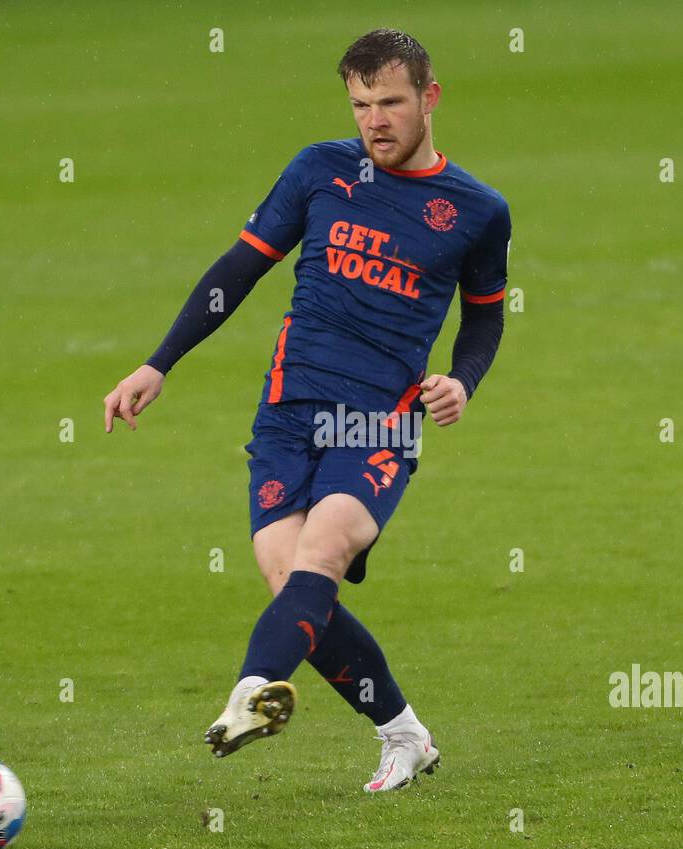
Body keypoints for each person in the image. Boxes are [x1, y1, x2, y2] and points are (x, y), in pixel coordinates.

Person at [102, 28, 510, 793]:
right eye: (360, 105)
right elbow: (239, 269)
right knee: (293, 583)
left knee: (320, 554)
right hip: (287, 412)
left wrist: (463, 379)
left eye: (390, 102)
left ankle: (248, 696)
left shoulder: (478, 211)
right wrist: (159, 361)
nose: (375, 120)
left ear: (430, 97)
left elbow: (485, 315)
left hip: (377, 423)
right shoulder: (319, 171)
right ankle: (404, 735)